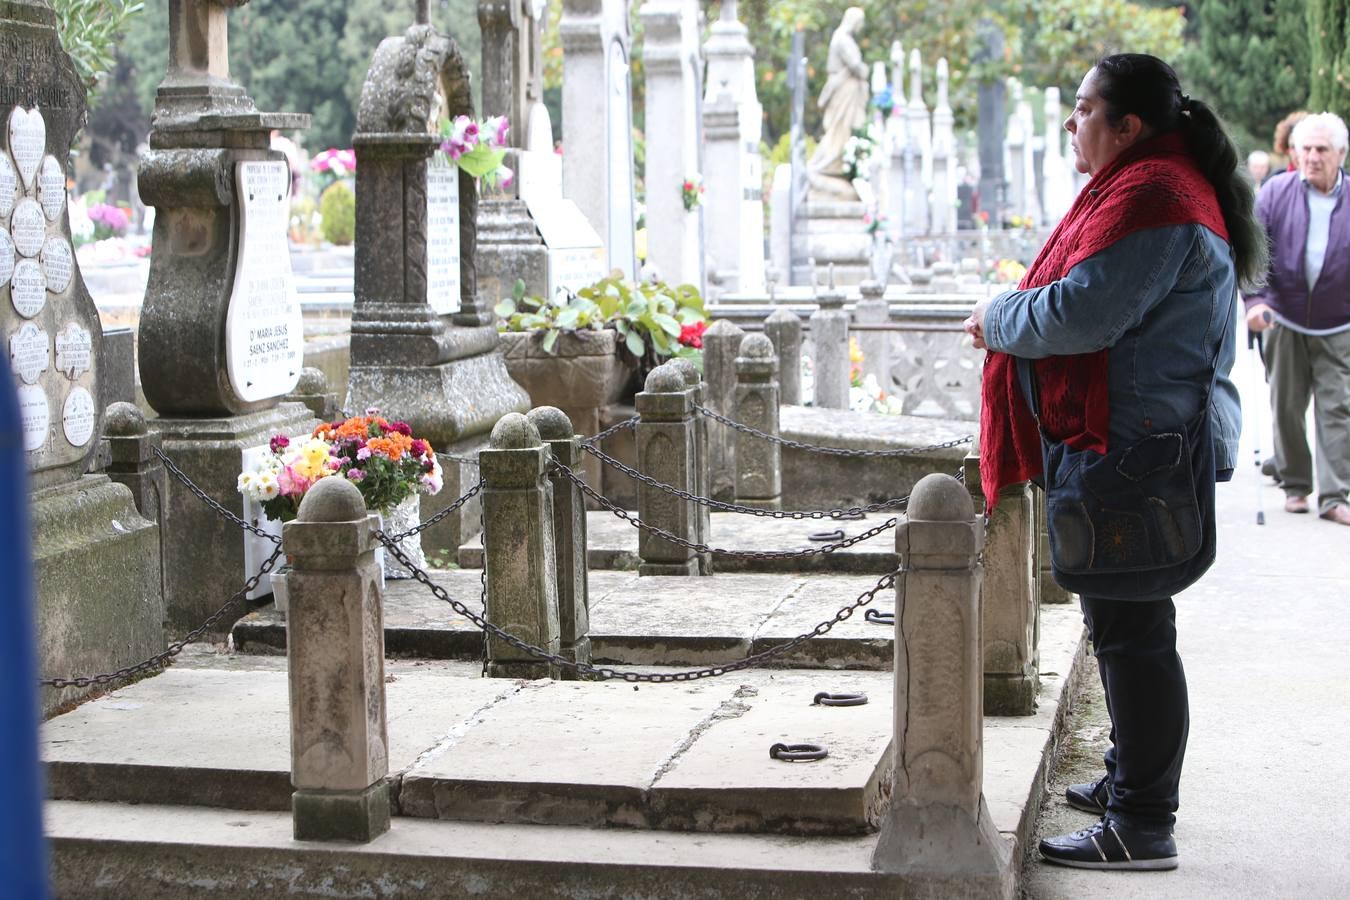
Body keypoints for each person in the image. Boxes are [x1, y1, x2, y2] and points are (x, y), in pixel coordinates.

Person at [964, 54, 1266, 870]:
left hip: (1136, 448)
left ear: (1128, 126)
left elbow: (1083, 312)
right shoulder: (1153, 187)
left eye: (1085, 108)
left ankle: (1142, 823)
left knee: (1133, 632)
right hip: (1135, 439)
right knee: (1120, 621)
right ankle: (1128, 780)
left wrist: (997, 314)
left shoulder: (1154, 198)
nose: (1073, 122)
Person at [1244, 112, 1350, 525]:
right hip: (1284, 317)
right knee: (1287, 406)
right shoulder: (1275, 192)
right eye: (1305, 148)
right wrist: (1255, 302)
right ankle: (1295, 486)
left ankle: (1335, 494)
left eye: (1322, 149)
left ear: (1340, 153)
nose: (1312, 157)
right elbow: (1255, 252)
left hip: (1339, 322)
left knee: (1337, 407)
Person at [806, 7, 868, 197]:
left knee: (844, 131)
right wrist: (865, 71)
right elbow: (856, 65)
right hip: (843, 90)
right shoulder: (841, 38)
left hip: (848, 90)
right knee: (838, 130)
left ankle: (838, 166)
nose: (860, 27)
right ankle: (824, 165)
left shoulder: (844, 38)